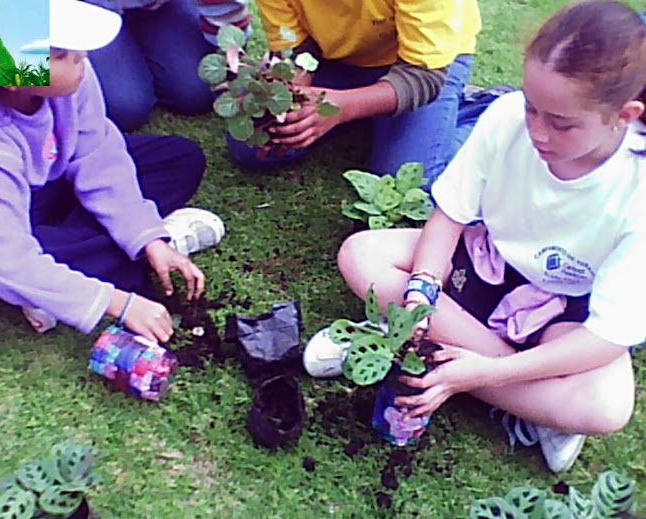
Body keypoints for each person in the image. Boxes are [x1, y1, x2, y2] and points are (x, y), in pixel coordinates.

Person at [304, 0, 646, 473]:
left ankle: (421, 351)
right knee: (362, 254)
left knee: (606, 407)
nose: (538, 132)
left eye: (561, 122)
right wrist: (423, 288)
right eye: (531, 107)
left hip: (560, 307)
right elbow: (450, 215)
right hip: (483, 262)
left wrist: (490, 372)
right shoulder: (506, 117)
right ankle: (530, 402)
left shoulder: (638, 188)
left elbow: (607, 338)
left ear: (624, 115)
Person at [0, 0, 225, 343]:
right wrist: (119, 303)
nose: (83, 56)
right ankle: (77, 275)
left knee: (179, 158)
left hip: (56, 177)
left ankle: (62, 277)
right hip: (11, 208)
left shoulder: (73, 82)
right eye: (64, 53)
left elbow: (99, 153)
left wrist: (148, 237)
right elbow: (6, 259)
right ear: (12, 75)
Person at [228, 0, 482, 191]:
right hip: (334, 58)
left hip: (422, 64)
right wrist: (286, 105)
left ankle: (488, 110)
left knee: (406, 183)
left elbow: (422, 76)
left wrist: (340, 109)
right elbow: (294, 47)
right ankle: (372, 118)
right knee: (254, 145)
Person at [81, 0, 251, 132]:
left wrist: (231, 62)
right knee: (126, 108)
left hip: (154, 6)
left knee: (196, 91)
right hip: (80, 7)